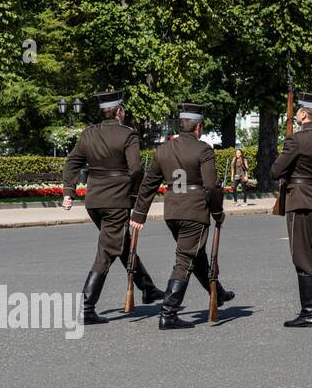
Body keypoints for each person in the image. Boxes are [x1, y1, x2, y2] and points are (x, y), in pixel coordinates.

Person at [60, 90, 165, 324]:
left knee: (121, 244)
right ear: (119, 111)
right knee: (107, 250)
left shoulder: (88, 134)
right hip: (116, 201)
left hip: (94, 200)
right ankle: (87, 307)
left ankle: (147, 287)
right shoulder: (128, 135)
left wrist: (69, 191)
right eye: (123, 110)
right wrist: (135, 192)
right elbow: (136, 169)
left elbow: (72, 162)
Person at [130, 103, 231, 330]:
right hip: (194, 211)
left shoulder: (163, 149)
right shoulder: (203, 149)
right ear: (198, 127)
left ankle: (219, 293)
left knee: (196, 256)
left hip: (172, 211)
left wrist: (139, 213)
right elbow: (211, 187)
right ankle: (169, 313)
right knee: (186, 259)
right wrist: (217, 212)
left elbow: (148, 184)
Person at [270, 92, 312, 328]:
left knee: (302, 256)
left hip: (300, 201)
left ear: (302, 114)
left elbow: (276, 171)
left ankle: (309, 312)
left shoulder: (295, 140)